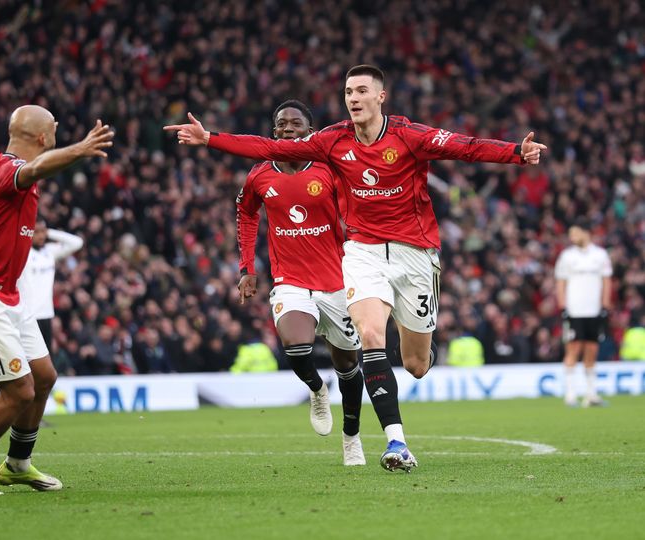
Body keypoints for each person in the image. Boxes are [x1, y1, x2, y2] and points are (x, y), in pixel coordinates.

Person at [165, 64, 546, 472]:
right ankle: (396, 442)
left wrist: (515, 152)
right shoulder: (332, 140)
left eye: (362, 90)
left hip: (415, 254)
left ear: (381, 96)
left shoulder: (409, 135)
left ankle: (422, 348)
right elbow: (268, 148)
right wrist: (210, 138)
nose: (354, 98)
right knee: (370, 336)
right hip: (363, 252)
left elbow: (464, 146)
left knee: (416, 365)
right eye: (348, 92)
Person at [0, 105, 113, 496]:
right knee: (19, 391)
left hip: (6, 294)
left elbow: (34, 172)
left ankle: (17, 464)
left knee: (44, 376)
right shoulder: (9, 169)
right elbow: (33, 170)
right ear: (43, 137)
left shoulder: (4, 169)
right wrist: (80, 149)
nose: (57, 130)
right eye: (54, 127)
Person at [236, 100, 365, 466]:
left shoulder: (328, 168)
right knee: (296, 347)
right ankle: (317, 389)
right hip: (290, 280)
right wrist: (247, 267)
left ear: (311, 131)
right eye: (281, 123)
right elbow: (246, 214)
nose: (288, 127)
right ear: (274, 131)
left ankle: (351, 438)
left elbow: (356, 210)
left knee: (348, 365)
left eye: (295, 123)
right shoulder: (260, 174)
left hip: (337, 281)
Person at [554, 219, 612, 407]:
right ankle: (570, 394)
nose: (572, 237)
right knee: (573, 349)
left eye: (575, 233)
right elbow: (561, 283)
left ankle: (591, 394)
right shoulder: (567, 256)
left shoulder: (600, 255)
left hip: (594, 310)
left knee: (592, 351)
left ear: (586, 233)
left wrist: (605, 305)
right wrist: (562, 306)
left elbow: (606, 281)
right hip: (574, 310)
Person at [16, 220, 83, 351]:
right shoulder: (22, 253)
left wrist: (50, 232)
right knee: (28, 358)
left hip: (47, 314)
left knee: (47, 357)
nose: (41, 235)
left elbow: (77, 242)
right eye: (36, 232)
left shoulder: (50, 251)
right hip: (28, 316)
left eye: (43, 232)